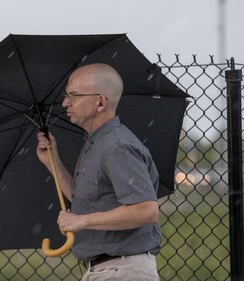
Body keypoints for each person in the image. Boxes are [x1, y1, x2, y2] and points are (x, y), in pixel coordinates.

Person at [36, 63, 161, 280]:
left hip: (122, 271)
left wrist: (81, 221)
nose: (65, 102)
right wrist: (53, 162)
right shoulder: (98, 142)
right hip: (110, 270)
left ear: (100, 102)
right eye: (67, 95)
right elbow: (85, 201)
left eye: (73, 95)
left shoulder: (117, 147)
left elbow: (146, 210)